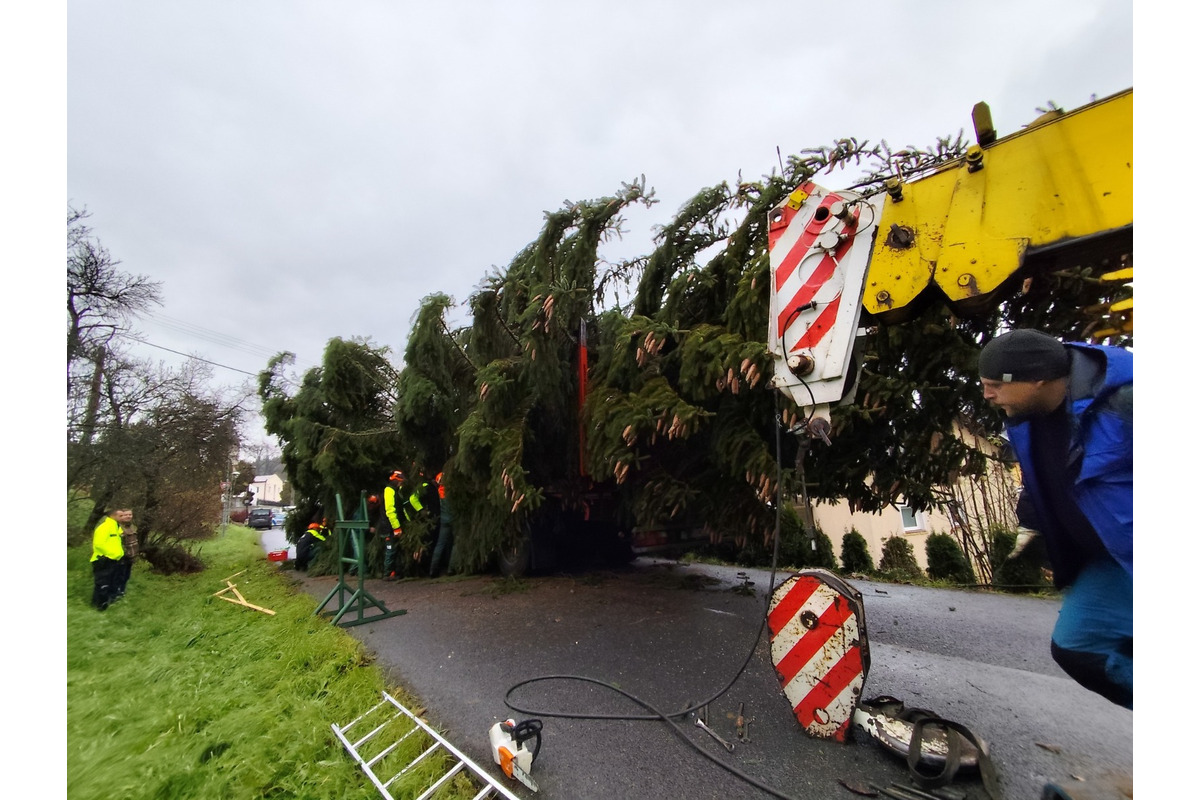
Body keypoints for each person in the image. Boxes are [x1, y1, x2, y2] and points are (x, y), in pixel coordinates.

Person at [978, 328, 1132, 709]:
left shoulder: (1128, 401)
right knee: (1078, 648)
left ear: (1038, 379)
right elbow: (1044, 477)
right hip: (1110, 559)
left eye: (995, 384)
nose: (987, 395)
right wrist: (1032, 525)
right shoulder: (1029, 417)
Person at [91, 508, 132, 610]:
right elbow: (98, 544)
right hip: (104, 559)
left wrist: (119, 555)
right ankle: (99, 606)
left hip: (115, 560)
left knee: (111, 583)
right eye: (120, 516)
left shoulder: (116, 527)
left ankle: (103, 603)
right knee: (103, 584)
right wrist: (110, 555)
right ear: (112, 516)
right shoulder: (104, 527)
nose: (123, 517)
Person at [380, 470, 407, 580]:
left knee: (395, 550)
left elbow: (401, 508)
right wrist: (396, 527)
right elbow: (390, 511)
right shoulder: (389, 491)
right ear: (395, 480)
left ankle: (395, 572)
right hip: (389, 527)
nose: (401, 484)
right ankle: (387, 574)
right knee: (390, 550)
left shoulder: (395, 491)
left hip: (394, 526)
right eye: (400, 481)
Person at [429, 470, 454, 578]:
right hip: (453, 519)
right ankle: (452, 569)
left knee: (440, 544)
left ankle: (433, 570)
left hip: (444, 521)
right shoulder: (450, 491)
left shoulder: (440, 490)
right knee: (456, 543)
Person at [116, 514, 139, 598]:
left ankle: (122, 591)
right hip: (122, 557)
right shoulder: (119, 528)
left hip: (131, 557)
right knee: (120, 575)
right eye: (126, 515)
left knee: (126, 576)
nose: (128, 516)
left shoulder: (133, 527)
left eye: (130, 514)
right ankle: (117, 593)